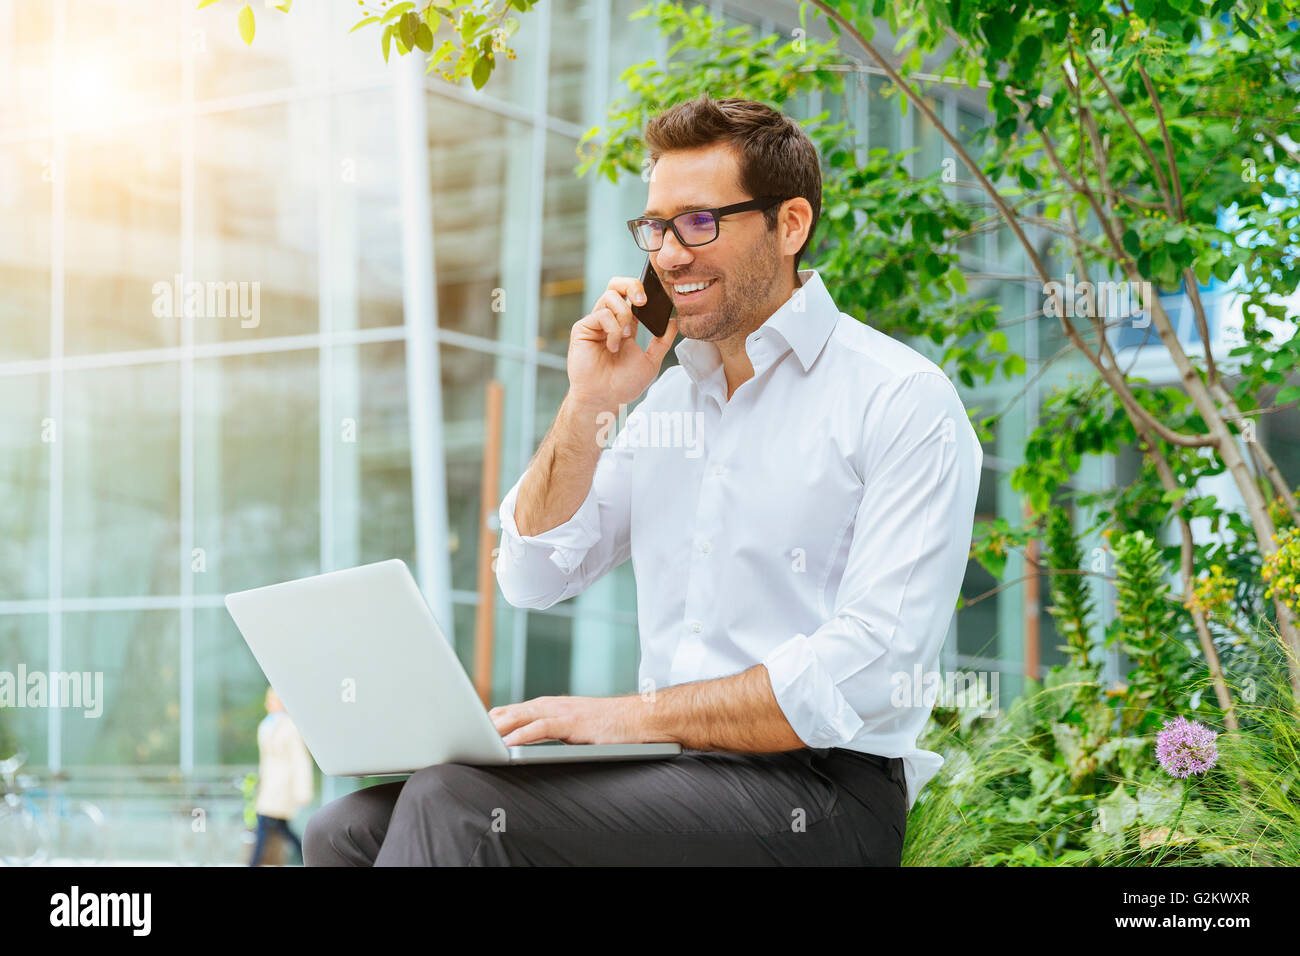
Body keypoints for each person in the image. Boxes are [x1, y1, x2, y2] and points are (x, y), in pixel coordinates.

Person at [304, 92, 982, 866]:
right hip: (667, 773)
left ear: (789, 225)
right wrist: (589, 400)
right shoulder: (668, 401)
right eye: (655, 228)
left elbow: (871, 669)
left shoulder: (900, 398)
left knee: (455, 803)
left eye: (700, 222)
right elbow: (532, 572)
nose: (667, 255)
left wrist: (630, 717)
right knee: (344, 827)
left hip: (823, 797)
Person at [250, 687, 314, 866]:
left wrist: (303, 791)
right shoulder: (266, 725)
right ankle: (309, 856)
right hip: (269, 786)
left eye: (272, 699)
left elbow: (301, 760)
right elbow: (265, 760)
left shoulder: (291, 727)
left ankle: (253, 863)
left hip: (284, 786)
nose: (268, 703)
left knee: (268, 825)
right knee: (276, 826)